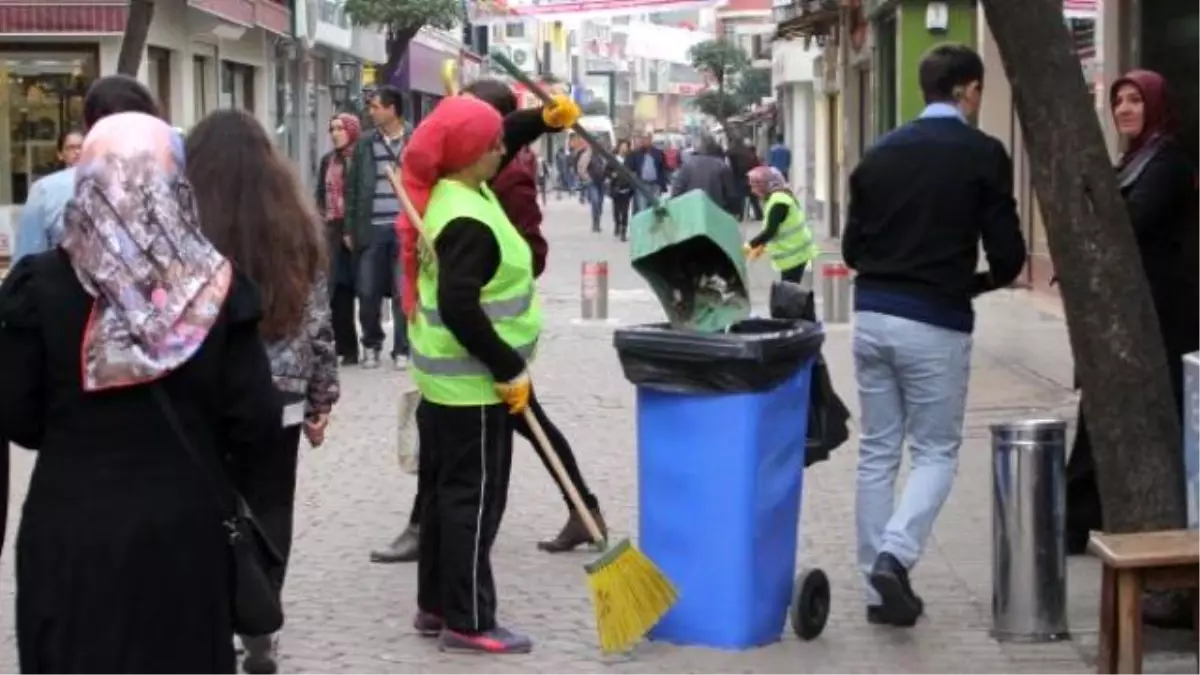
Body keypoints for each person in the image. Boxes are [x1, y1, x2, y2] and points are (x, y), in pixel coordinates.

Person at [0, 112, 279, 675]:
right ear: (176, 184)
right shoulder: (216, 287)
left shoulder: (40, 286)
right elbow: (256, 421)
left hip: (71, 524)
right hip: (184, 526)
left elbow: (20, 417)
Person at [369, 88, 594, 564]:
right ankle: (432, 546)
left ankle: (448, 572)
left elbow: (525, 255)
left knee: (473, 475)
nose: (497, 146)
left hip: (482, 344)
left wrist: (491, 269)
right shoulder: (454, 182)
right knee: (465, 440)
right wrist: (545, 119)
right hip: (469, 346)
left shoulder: (496, 180)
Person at [842, 44, 1026, 628]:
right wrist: (971, 282)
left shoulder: (879, 154)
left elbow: (851, 249)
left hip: (870, 315)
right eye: (979, 92)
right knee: (937, 452)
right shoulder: (983, 154)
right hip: (934, 321)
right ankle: (894, 557)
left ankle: (879, 590)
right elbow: (1009, 255)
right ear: (968, 90)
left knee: (876, 450)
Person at [399, 94, 560, 654]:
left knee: (445, 498)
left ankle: (437, 604)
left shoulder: (455, 188)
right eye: (494, 146)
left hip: (446, 386)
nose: (503, 150)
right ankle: (469, 619)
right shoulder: (467, 220)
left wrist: (542, 119)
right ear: (472, 155)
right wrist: (508, 365)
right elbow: (463, 307)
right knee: (474, 501)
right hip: (474, 387)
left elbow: (500, 132)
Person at [186, 109, 341, 674]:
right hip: (282, 392)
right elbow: (319, 319)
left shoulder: (182, 222)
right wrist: (321, 398)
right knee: (272, 503)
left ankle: (208, 619)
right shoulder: (296, 225)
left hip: (201, 392)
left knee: (205, 504)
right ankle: (260, 622)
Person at [1065, 70, 1200, 555]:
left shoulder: (1166, 162)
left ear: (1156, 107)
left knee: (1130, 411)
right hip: (1133, 312)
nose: (1123, 109)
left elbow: (1130, 224)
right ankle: (1077, 517)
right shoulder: (1135, 160)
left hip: (1162, 313)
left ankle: (1078, 520)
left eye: (1135, 101)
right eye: (1119, 100)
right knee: (1103, 408)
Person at [14, 77, 163, 264]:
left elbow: (25, 270)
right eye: (70, 148)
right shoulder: (172, 186)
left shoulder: (46, 192)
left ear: (89, 125)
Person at [344, 85, 409, 370]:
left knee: (402, 291)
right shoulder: (365, 143)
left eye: (376, 107)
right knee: (367, 290)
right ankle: (371, 343)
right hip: (371, 227)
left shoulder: (415, 138)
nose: (371, 112)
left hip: (405, 228)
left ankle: (402, 349)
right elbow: (352, 187)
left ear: (392, 109)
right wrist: (349, 227)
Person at [316, 113, 362, 365]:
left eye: (340, 128)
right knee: (336, 291)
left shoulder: (360, 159)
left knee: (365, 290)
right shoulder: (327, 161)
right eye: (332, 129)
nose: (335, 133)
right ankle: (346, 348)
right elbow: (320, 195)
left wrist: (353, 230)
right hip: (332, 229)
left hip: (357, 228)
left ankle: (372, 344)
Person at [744, 166, 816, 283]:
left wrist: (750, 245)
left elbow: (770, 231)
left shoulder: (779, 201)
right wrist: (760, 247)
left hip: (794, 253)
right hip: (793, 252)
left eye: (757, 186)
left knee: (789, 291)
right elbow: (774, 230)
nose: (753, 191)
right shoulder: (777, 198)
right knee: (789, 289)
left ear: (767, 184)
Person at [670, 133, 739, 217]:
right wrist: (735, 211)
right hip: (716, 212)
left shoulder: (687, 165)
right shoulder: (722, 166)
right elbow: (731, 194)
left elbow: (677, 191)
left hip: (692, 213)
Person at [624, 132, 668, 214]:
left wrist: (662, 186)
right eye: (643, 139)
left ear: (651, 139)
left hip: (655, 186)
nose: (645, 141)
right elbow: (628, 167)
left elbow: (662, 169)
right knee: (642, 209)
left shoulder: (657, 153)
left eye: (647, 138)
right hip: (642, 185)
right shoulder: (636, 154)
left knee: (655, 208)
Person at [727, 138, 762, 221]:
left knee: (740, 198)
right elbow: (756, 164)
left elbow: (730, 167)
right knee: (753, 198)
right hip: (750, 177)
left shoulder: (731, 153)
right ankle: (759, 215)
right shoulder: (748, 153)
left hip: (738, 178)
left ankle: (741, 215)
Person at [609, 139, 635, 241]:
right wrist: (612, 175)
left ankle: (623, 231)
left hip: (626, 189)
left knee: (625, 211)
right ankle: (617, 224)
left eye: (626, 147)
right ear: (619, 147)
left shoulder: (630, 160)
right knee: (616, 210)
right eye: (622, 146)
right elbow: (606, 172)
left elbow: (633, 171)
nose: (624, 148)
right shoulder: (613, 159)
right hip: (615, 188)